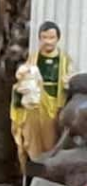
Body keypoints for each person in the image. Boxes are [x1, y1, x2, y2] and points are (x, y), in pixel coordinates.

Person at [11, 21, 75, 168]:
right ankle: (31, 168)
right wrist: (19, 92)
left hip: (54, 108)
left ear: (58, 38)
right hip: (34, 108)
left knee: (51, 141)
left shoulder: (64, 61)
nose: (48, 42)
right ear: (40, 38)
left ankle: (48, 170)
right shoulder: (33, 59)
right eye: (44, 37)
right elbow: (21, 82)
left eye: (51, 37)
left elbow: (69, 82)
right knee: (31, 141)